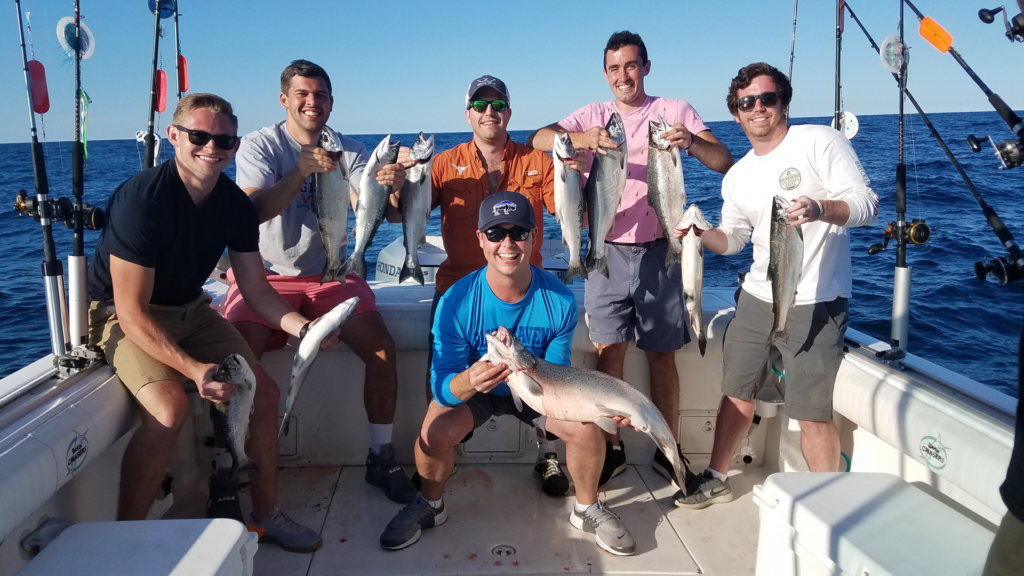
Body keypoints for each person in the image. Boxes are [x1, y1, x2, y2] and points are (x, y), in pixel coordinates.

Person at [87, 93, 326, 552]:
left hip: (192, 308)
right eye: (199, 136)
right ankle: (123, 540)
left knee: (265, 393)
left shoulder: (233, 204)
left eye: (225, 140)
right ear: (174, 136)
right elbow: (132, 311)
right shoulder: (143, 201)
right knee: (169, 408)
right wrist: (196, 371)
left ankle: (267, 514)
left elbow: (256, 290)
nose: (212, 147)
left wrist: (305, 329)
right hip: (122, 313)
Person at [528, 31, 734, 488]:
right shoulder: (594, 115)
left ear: (645, 66)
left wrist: (692, 143)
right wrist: (580, 137)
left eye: (631, 65)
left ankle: (668, 447)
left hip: (663, 249)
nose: (624, 75)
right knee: (610, 351)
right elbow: (538, 138)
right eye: (614, 68)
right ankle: (612, 449)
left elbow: (723, 159)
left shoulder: (675, 110)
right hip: (606, 247)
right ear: (605, 74)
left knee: (663, 355)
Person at [378, 192, 636, 555]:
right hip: (478, 392)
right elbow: (442, 387)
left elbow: (557, 374)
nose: (508, 243)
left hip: (537, 389)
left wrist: (601, 408)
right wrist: (469, 381)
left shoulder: (559, 299)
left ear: (534, 237)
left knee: (587, 429)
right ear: (480, 239)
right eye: (496, 233)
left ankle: (587, 508)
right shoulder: (455, 301)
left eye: (518, 232)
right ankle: (429, 505)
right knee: (432, 432)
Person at [674, 62, 879, 509]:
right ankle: (715, 476)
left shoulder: (821, 141)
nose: (758, 108)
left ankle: (828, 504)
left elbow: (868, 204)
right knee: (736, 391)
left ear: (784, 102)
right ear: (736, 114)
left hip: (816, 301)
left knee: (811, 411)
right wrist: (698, 236)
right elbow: (733, 240)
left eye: (768, 99)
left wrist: (820, 207)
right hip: (756, 297)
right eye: (747, 103)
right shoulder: (737, 175)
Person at [217, 60, 417, 507]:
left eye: (321, 94)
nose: (313, 102)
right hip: (264, 276)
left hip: (331, 273)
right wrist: (300, 172)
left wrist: (395, 184)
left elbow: (386, 214)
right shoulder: (258, 146)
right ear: (285, 99)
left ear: (332, 102)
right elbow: (250, 212)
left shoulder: (352, 150)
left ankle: (381, 455)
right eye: (303, 94)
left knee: (383, 351)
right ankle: (230, 466)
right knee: (236, 359)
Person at [399, 75, 569, 496]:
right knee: (444, 378)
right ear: (467, 113)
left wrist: (579, 168)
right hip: (459, 294)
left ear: (508, 112)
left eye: (497, 104)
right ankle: (444, 455)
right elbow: (400, 214)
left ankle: (548, 456)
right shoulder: (440, 163)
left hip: (526, 293)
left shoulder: (539, 161)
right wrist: (394, 182)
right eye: (479, 104)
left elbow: (565, 208)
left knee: (543, 371)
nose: (488, 111)